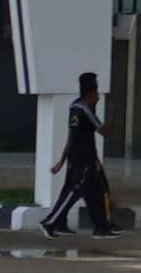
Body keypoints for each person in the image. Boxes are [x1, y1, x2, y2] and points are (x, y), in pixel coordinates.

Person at [41, 70, 116, 237]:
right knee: (74, 190)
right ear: (92, 92)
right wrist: (112, 114)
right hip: (84, 159)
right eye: (97, 92)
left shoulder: (74, 106)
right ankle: (50, 222)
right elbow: (105, 132)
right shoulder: (86, 111)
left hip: (77, 157)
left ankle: (101, 227)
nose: (99, 96)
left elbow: (71, 136)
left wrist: (61, 160)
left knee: (96, 191)